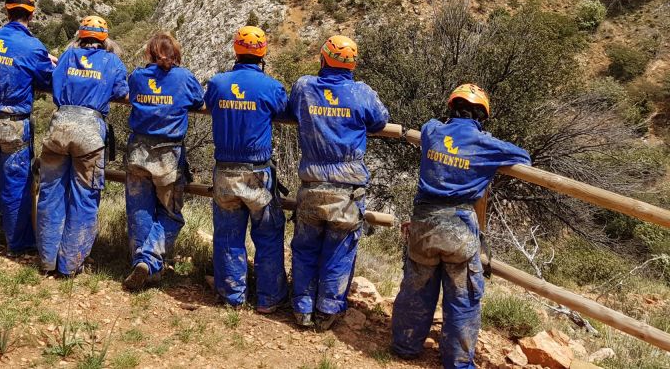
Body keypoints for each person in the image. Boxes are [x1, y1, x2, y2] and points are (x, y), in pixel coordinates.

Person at [391, 84, 531, 369]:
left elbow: (430, 125)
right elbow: (522, 157)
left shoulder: (431, 130)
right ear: (482, 116)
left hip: (424, 224)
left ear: (451, 107)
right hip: (459, 229)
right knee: (463, 296)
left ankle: (405, 346)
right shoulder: (486, 145)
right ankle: (457, 362)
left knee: (416, 288)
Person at [285, 35, 389, 330]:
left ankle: (302, 308)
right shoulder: (362, 93)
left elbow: (291, 110)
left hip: (311, 186)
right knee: (339, 250)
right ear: (352, 65)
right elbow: (381, 120)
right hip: (347, 191)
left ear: (322, 59)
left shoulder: (305, 87)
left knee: (305, 248)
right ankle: (327, 312)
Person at [203, 26, 288, 311]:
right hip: (257, 172)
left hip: (224, 171)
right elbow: (282, 108)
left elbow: (210, 102)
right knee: (268, 235)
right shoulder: (271, 86)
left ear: (235, 50)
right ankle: (269, 298)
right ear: (263, 53)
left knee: (228, 235)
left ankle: (232, 296)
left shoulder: (217, 83)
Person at [37, 15, 128, 276]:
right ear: (104, 39)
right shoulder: (112, 61)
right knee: (84, 196)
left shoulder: (67, 56)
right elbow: (121, 91)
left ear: (80, 36)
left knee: (51, 193)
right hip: (89, 131)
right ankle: (70, 265)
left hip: (59, 126)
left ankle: (46, 261)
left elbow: (53, 82)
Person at [0, 0, 55, 253]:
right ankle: (17, 244)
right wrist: (48, 60)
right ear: (32, 14)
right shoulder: (33, 46)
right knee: (15, 185)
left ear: (7, 10)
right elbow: (47, 79)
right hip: (14, 123)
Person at [123, 32, 204, 291]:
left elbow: (131, 92)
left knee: (139, 210)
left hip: (138, 151)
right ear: (176, 54)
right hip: (168, 155)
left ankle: (143, 264)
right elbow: (198, 99)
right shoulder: (183, 78)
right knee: (171, 214)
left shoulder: (137, 76)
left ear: (149, 53)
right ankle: (149, 261)